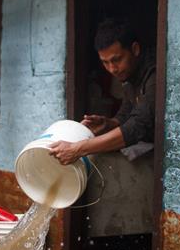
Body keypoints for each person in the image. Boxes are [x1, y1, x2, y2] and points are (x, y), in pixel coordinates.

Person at [50, 18, 155, 165]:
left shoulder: (155, 75)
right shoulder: (129, 76)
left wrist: (78, 149)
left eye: (117, 59)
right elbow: (126, 113)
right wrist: (109, 123)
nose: (112, 69)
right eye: (105, 62)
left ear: (135, 49)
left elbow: (139, 125)